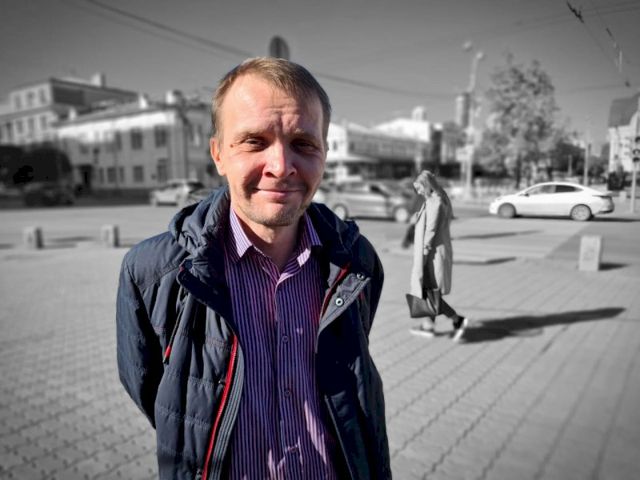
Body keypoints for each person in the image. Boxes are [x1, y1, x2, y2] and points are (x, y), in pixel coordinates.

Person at [116, 57, 391, 479]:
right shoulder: (154, 273)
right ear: (218, 154)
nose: (281, 166)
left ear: (324, 153)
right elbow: (159, 395)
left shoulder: (355, 261)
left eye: (303, 143)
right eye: (254, 141)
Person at [408, 170, 469, 341]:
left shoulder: (435, 201)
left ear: (427, 185)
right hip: (436, 251)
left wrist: (424, 254)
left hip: (433, 254)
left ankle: (457, 320)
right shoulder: (439, 198)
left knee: (430, 292)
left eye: (419, 188)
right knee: (430, 291)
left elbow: (431, 230)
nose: (418, 192)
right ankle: (430, 326)